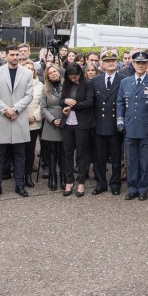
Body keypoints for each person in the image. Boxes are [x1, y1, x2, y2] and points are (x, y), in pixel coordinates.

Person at [0, 46, 34, 199]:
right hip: (2, 117)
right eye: (12, 54)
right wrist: (6, 110)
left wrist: (15, 109)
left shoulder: (27, 73)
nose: (15, 57)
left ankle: (19, 184)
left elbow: (29, 95)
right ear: (6, 55)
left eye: (17, 54)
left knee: (20, 154)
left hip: (19, 117)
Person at [116, 51, 148, 201]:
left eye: (144, 63)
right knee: (131, 160)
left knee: (145, 160)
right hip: (129, 127)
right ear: (133, 64)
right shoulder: (125, 82)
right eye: (138, 63)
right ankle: (132, 188)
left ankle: (143, 189)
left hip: (146, 128)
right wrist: (120, 121)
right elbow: (120, 103)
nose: (141, 65)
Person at [90, 49, 123, 196]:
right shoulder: (95, 81)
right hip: (99, 124)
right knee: (99, 158)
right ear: (102, 64)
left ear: (117, 63)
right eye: (107, 61)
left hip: (116, 125)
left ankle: (115, 184)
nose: (110, 63)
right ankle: (101, 184)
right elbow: (92, 103)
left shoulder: (123, 80)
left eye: (113, 61)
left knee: (116, 158)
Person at [59, 62, 93, 197]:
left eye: (75, 77)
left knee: (81, 153)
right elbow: (61, 101)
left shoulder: (88, 84)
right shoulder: (66, 84)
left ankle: (81, 181)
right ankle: (69, 181)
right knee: (67, 153)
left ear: (80, 74)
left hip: (81, 122)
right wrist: (66, 102)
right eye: (71, 77)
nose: (73, 79)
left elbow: (89, 102)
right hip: (67, 122)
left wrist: (72, 106)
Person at [39, 64, 64, 191]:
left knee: (64, 152)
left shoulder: (67, 86)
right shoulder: (45, 88)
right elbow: (43, 108)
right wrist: (52, 120)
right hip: (51, 123)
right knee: (52, 152)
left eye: (55, 71)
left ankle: (64, 177)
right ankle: (52, 177)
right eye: (50, 73)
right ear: (47, 76)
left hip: (65, 121)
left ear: (59, 72)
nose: (53, 74)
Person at [21, 59, 42, 188]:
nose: (29, 71)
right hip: (19, 121)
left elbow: (42, 103)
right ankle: (19, 174)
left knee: (30, 150)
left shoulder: (40, 85)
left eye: (31, 69)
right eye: (26, 68)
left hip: (33, 122)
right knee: (19, 151)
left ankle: (28, 175)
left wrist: (35, 115)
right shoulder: (17, 84)